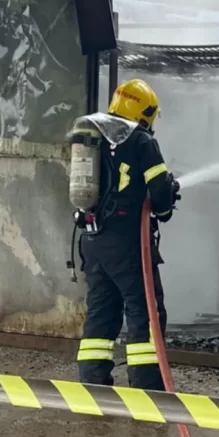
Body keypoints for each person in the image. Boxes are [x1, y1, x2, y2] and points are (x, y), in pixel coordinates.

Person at [68, 79, 180, 391]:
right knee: (144, 309)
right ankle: (147, 386)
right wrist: (167, 202)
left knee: (102, 309)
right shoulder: (141, 140)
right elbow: (159, 190)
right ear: (144, 112)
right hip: (127, 243)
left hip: (92, 241)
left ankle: (93, 382)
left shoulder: (94, 137)